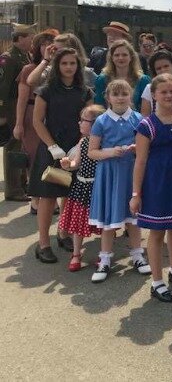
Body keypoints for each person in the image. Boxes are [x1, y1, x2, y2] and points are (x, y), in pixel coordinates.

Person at [131, 74, 172, 302]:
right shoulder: (147, 125)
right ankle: (156, 282)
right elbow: (140, 161)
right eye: (164, 92)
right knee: (157, 232)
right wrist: (136, 194)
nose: (169, 95)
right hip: (158, 184)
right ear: (154, 95)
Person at [28, 47, 93, 263]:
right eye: (64, 63)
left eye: (72, 63)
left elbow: (90, 121)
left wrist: (81, 145)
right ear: (57, 65)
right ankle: (43, 243)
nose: (68, 67)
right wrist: (52, 146)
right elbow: (37, 121)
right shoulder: (46, 90)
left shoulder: (85, 92)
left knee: (70, 194)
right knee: (48, 196)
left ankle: (63, 233)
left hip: (76, 148)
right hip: (51, 148)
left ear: (78, 66)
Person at [87, 79, 150, 283]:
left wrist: (135, 148)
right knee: (108, 222)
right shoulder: (101, 121)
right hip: (109, 174)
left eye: (124, 94)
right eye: (116, 94)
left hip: (131, 173)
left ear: (130, 96)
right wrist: (110, 151)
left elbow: (146, 147)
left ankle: (137, 256)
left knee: (133, 219)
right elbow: (92, 152)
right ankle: (105, 260)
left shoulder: (139, 119)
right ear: (108, 98)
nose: (120, 98)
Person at [14, 29, 58, 214]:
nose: (47, 47)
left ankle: (49, 196)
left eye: (51, 44)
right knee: (34, 158)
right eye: (43, 44)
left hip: (53, 114)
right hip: (32, 114)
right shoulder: (29, 69)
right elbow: (22, 99)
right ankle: (35, 199)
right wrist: (18, 123)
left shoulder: (60, 68)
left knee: (51, 157)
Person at [57, 104, 106, 271]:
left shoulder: (104, 143)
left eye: (83, 120)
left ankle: (104, 254)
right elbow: (75, 163)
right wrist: (67, 164)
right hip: (81, 187)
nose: (79, 123)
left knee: (103, 225)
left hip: (98, 188)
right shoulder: (83, 142)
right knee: (78, 223)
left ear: (95, 124)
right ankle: (76, 254)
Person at [1, 22, 35, 202]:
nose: (32, 40)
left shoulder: (24, 56)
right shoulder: (9, 58)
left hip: (18, 106)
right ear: (20, 38)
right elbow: (3, 88)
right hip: (11, 107)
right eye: (30, 37)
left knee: (20, 146)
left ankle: (22, 185)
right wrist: (2, 114)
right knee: (12, 147)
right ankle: (13, 189)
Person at [27, 33, 97, 89]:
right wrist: (46, 60)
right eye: (54, 49)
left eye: (59, 50)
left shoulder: (87, 72)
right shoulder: (51, 71)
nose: (55, 52)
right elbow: (31, 81)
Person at [93, 40, 151, 108]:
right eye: (117, 55)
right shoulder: (102, 79)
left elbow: (146, 109)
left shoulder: (143, 80)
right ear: (112, 58)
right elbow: (99, 107)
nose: (121, 58)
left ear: (131, 57)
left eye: (124, 55)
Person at [140, 50, 172, 115]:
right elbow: (145, 115)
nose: (163, 70)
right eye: (158, 68)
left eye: (166, 66)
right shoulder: (149, 88)